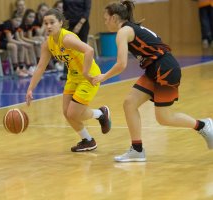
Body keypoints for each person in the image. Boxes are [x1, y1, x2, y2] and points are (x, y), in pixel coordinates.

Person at [92, 1, 213, 162]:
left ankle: (203, 125)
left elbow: (121, 64)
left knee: (164, 118)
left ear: (114, 17)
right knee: (129, 103)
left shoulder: (123, 32)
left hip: (165, 69)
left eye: (106, 18)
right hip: (155, 68)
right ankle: (137, 149)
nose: (105, 21)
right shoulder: (130, 28)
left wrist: (103, 76)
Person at [25, 8, 111, 152]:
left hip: (89, 76)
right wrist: (30, 88)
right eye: (45, 23)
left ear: (60, 23)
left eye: (52, 22)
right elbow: (40, 67)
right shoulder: (47, 44)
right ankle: (88, 140)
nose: (48, 26)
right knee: (66, 112)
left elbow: (89, 50)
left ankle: (101, 114)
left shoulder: (67, 39)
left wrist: (85, 72)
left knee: (73, 113)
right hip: (73, 77)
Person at [60, 0, 92, 80]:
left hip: (82, 25)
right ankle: (66, 72)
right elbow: (65, 10)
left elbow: (87, 11)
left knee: (82, 49)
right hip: (69, 24)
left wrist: (79, 25)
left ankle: (84, 71)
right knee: (67, 48)